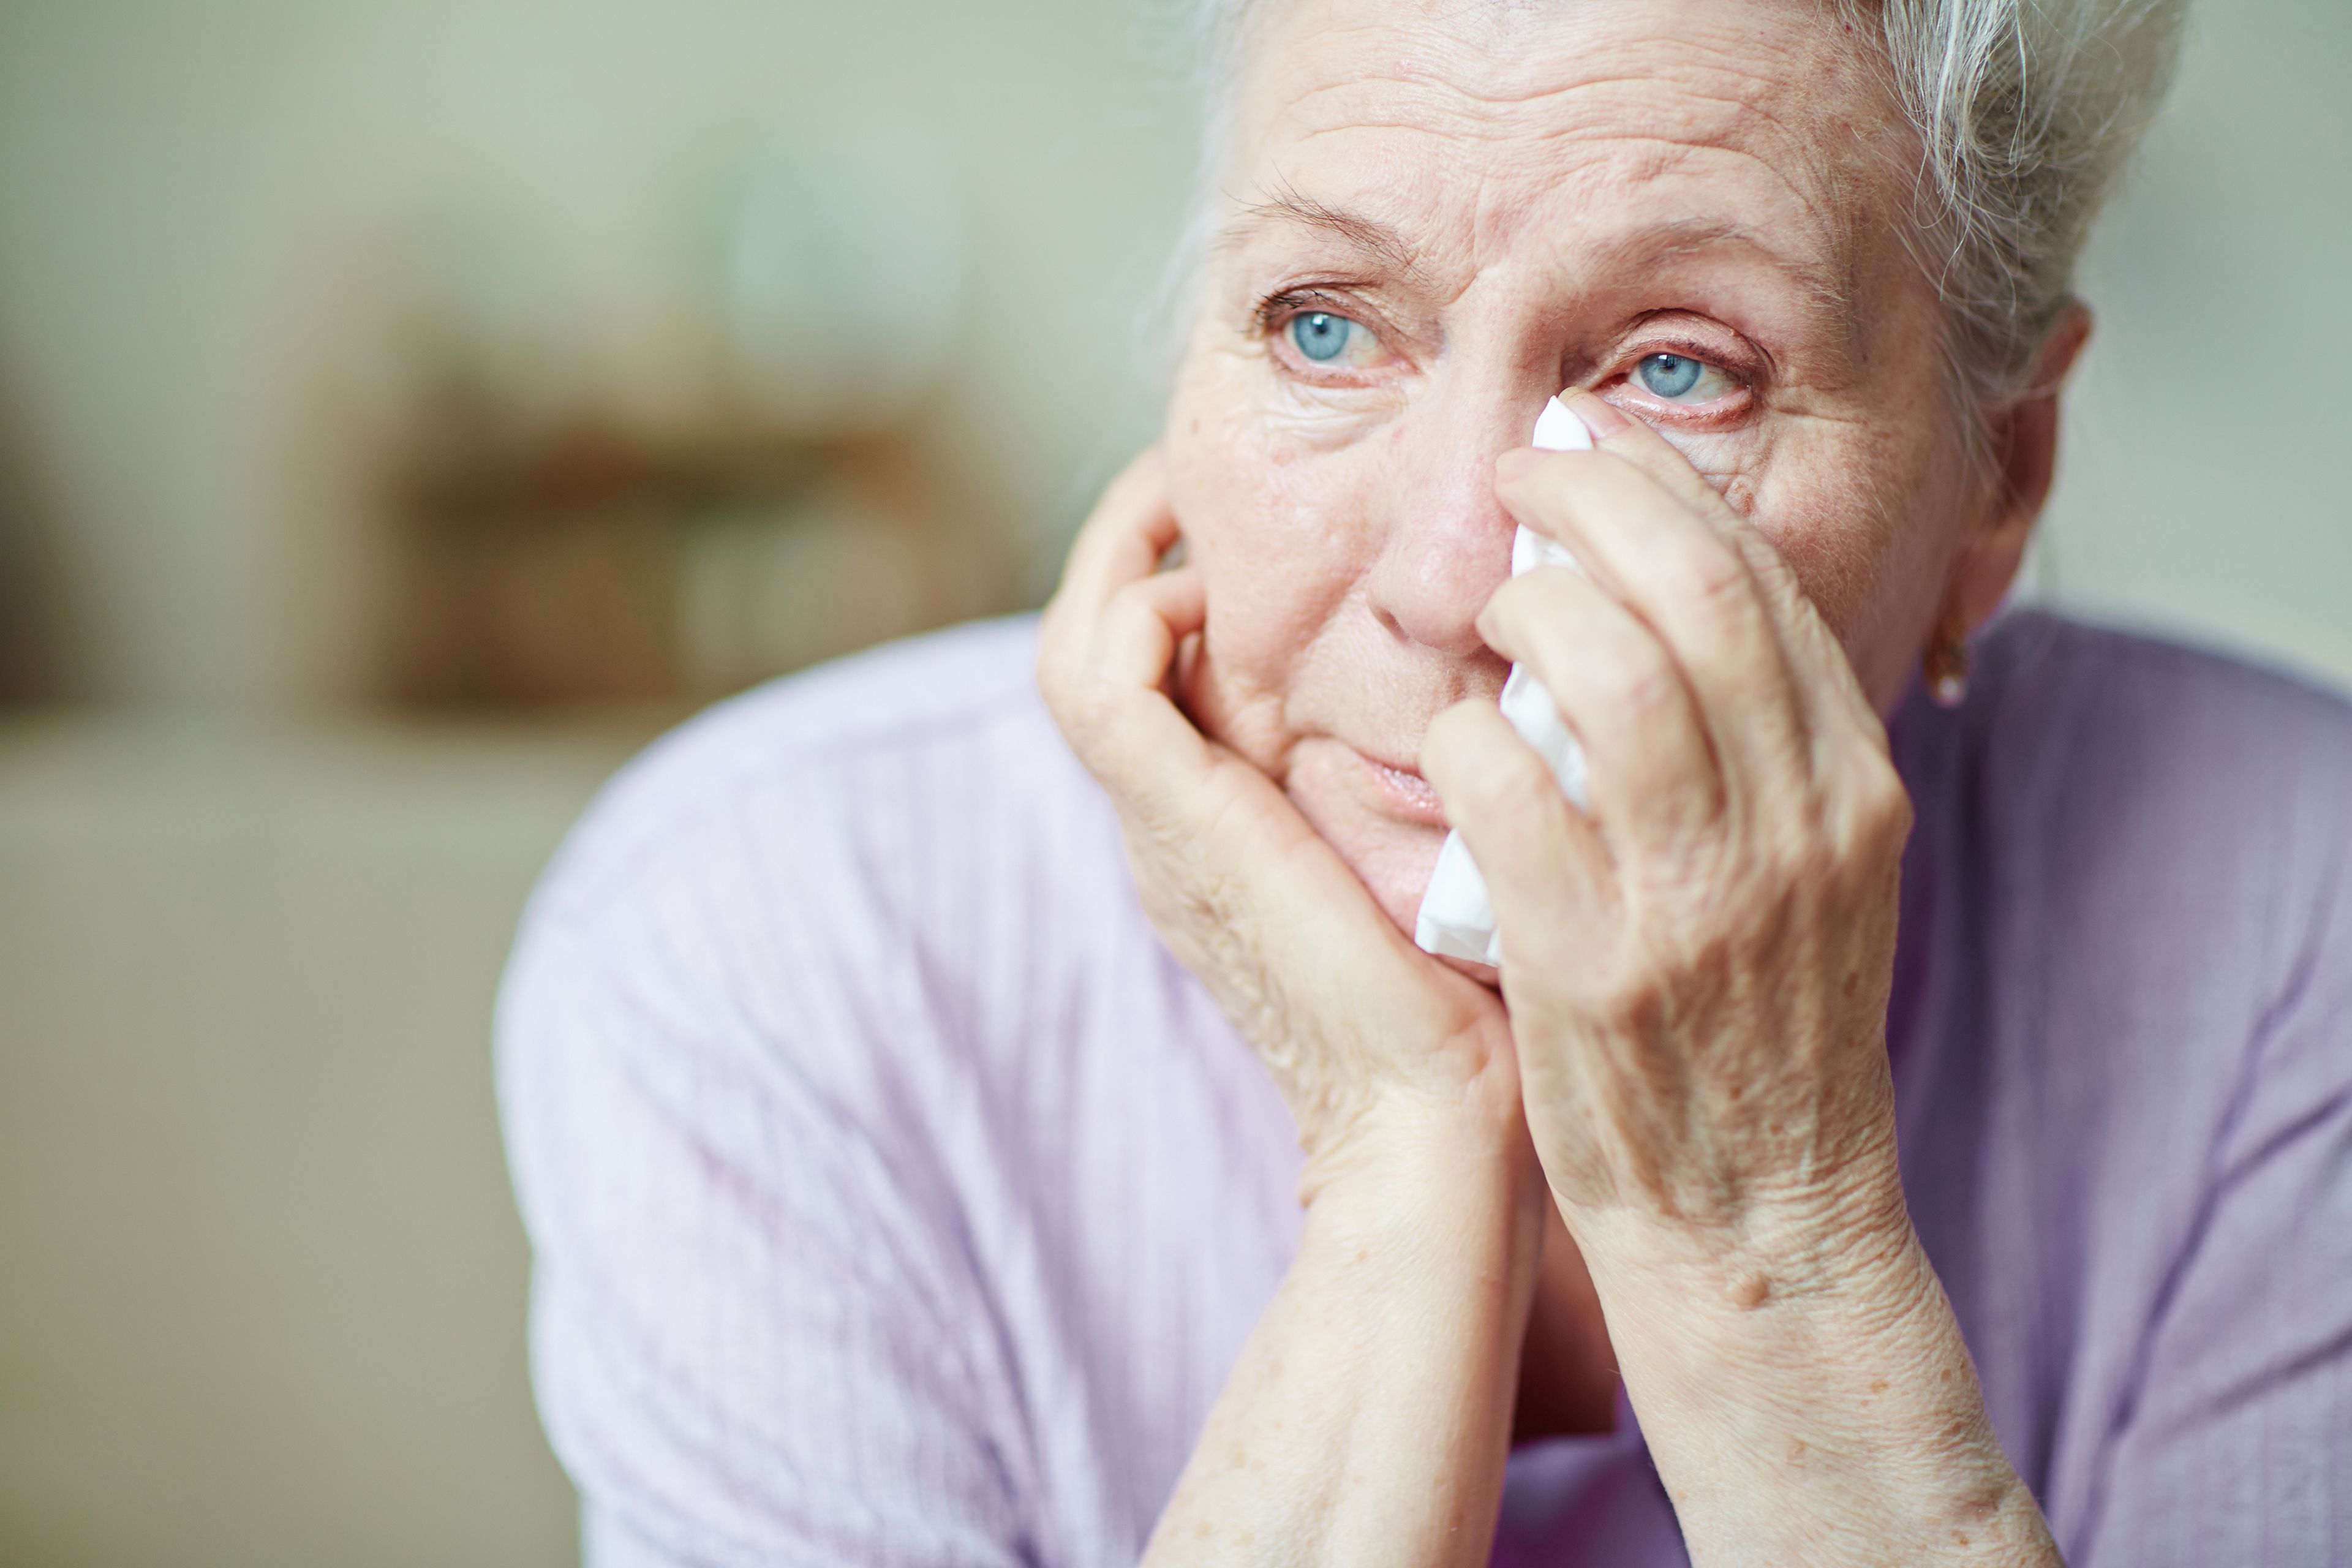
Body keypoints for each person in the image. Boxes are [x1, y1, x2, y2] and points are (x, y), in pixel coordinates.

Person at [496, 0, 2352, 1562]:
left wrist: (1765, 1227)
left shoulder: (2291, 921)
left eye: (1683, 369)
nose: (1450, 577)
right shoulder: (760, 941)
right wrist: (1404, 1142)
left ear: (1999, 479)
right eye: (1323, 324)